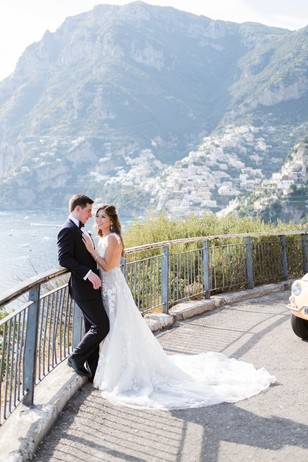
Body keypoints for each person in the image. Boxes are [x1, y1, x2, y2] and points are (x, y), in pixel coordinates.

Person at [82, 204, 276, 410]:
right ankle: (117, 369)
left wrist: (91, 251)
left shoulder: (112, 238)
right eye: (97, 216)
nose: (99, 219)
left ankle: (126, 371)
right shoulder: (103, 237)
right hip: (107, 290)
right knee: (115, 328)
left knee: (119, 327)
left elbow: (109, 266)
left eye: (103, 216)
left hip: (114, 289)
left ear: (111, 220)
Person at [57, 194, 109, 379]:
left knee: (92, 329)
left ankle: (94, 373)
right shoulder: (68, 229)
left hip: (91, 288)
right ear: (77, 209)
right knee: (102, 326)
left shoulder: (81, 229)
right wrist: (88, 274)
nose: (90, 215)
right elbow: (64, 259)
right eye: (88, 211)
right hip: (83, 288)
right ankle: (75, 358)